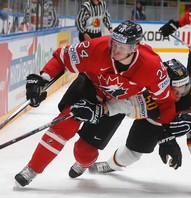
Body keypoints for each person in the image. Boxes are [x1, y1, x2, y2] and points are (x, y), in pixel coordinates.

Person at [14, 20, 177, 187]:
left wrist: (168, 137)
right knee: (65, 122)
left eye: (121, 47)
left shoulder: (152, 67)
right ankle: (32, 169)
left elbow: (166, 103)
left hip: (115, 103)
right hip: (90, 85)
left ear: (134, 48)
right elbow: (62, 57)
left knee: (83, 152)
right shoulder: (97, 47)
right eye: (114, 43)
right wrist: (43, 78)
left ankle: (84, 163)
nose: (115, 49)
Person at [85, 59, 191, 189]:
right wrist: (104, 109)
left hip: (177, 121)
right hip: (152, 122)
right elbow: (126, 105)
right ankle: (111, 165)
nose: (180, 91)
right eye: (174, 86)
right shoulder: (148, 91)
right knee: (132, 154)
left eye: (183, 85)